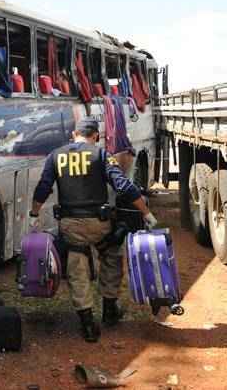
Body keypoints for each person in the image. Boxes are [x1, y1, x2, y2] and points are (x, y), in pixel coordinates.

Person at [29, 117, 157, 343]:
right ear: (96, 136)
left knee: (76, 267)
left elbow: (43, 187)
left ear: (73, 135)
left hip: (70, 226)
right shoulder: (101, 155)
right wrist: (146, 213)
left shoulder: (55, 156)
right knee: (112, 255)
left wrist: (34, 214)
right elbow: (124, 186)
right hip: (100, 224)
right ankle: (109, 309)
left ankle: (87, 323)